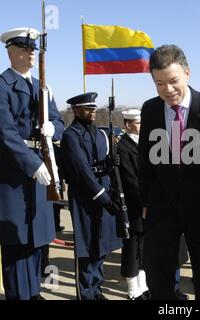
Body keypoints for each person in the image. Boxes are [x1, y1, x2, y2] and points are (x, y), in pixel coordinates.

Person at [139, 45, 200, 300]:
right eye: (159, 83)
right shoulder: (150, 110)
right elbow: (145, 163)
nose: (168, 90)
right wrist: (145, 203)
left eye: (173, 81)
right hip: (162, 210)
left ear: (187, 73)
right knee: (157, 276)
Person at [0, 27, 64, 300]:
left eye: (33, 49)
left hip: (41, 170)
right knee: (17, 245)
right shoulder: (3, 85)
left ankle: (34, 292)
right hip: (14, 174)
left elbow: (59, 122)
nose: (31, 53)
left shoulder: (42, 87)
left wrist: (53, 128)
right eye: (25, 48)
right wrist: (31, 163)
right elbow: (5, 133)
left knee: (37, 242)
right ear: (11, 51)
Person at [61, 92, 122, 300]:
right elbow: (82, 172)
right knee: (87, 247)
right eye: (88, 109)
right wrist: (104, 198)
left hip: (102, 191)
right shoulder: (71, 136)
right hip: (87, 196)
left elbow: (98, 163)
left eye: (94, 108)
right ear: (77, 111)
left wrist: (109, 164)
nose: (93, 112)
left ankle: (96, 290)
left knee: (100, 244)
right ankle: (86, 293)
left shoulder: (98, 133)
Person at [117, 109, 150, 300]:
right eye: (138, 123)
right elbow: (131, 180)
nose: (142, 126)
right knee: (132, 247)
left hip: (146, 203)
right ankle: (132, 288)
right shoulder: (122, 146)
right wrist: (146, 202)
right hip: (133, 205)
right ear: (128, 125)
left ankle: (143, 285)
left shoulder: (144, 143)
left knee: (143, 247)